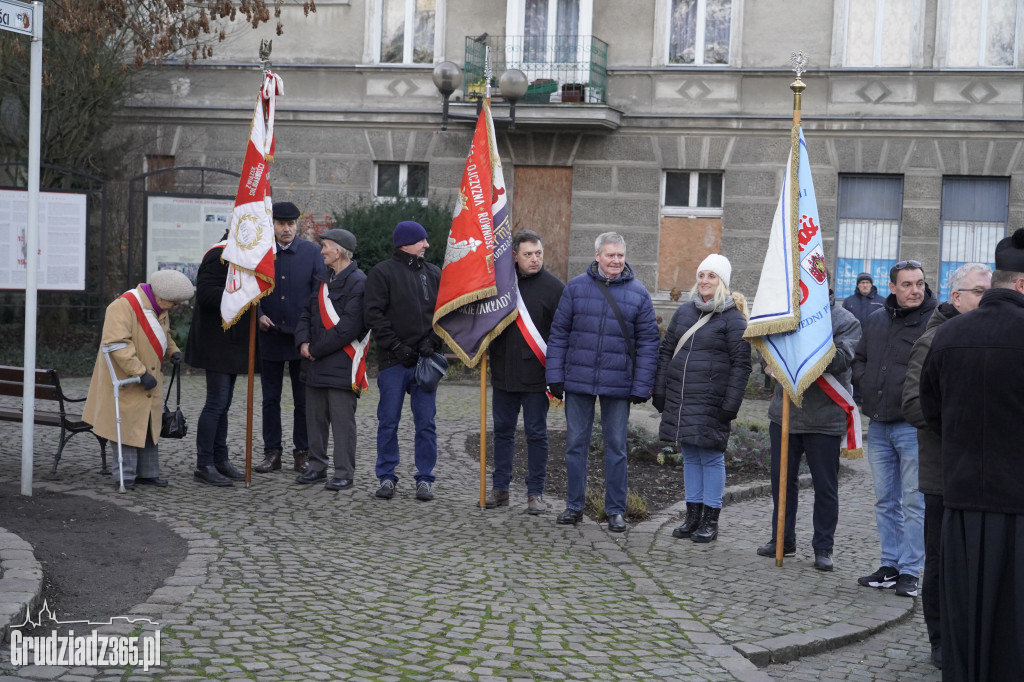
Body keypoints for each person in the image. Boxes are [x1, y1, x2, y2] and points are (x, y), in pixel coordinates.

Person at [919, 230, 1024, 681]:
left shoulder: (948, 335)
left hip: (961, 496)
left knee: (965, 603)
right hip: (1018, 502)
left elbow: (932, 411)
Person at [903, 263, 991, 670]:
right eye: (978, 292)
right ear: (956, 298)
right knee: (940, 560)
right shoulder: (933, 340)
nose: (984, 300)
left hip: (979, 470)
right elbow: (912, 403)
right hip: (943, 472)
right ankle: (939, 640)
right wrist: (959, 426)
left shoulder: (990, 335)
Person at [546, 232, 660, 533]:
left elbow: (649, 343)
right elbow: (559, 335)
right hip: (579, 381)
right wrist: (555, 376)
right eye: (610, 255)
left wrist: (641, 385)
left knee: (616, 448)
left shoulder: (639, 293)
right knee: (574, 445)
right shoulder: (575, 288)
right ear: (597, 256)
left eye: (620, 255)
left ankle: (615, 511)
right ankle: (574, 506)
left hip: (618, 383)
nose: (616, 261)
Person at [755, 289, 861, 569]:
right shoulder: (786, 314)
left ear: (827, 288)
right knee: (782, 483)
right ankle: (783, 539)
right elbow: (766, 343)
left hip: (824, 418)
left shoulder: (845, 320)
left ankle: (823, 547)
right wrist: (769, 365)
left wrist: (803, 350)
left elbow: (841, 359)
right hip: (785, 415)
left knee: (825, 487)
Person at [852, 259, 936, 597]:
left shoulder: (934, 321)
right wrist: (865, 386)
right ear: (892, 287)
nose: (914, 290)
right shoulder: (875, 320)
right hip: (879, 424)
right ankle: (889, 564)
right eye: (907, 284)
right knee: (885, 500)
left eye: (919, 283)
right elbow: (860, 359)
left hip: (913, 428)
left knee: (915, 502)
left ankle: (911, 571)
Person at [653, 254, 751, 543]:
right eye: (701, 275)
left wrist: (730, 405)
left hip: (712, 401)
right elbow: (666, 351)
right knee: (691, 457)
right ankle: (692, 516)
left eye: (711, 276)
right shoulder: (684, 312)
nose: (705, 281)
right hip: (683, 399)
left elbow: (741, 365)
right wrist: (659, 390)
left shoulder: (733, 319)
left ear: (722, 282)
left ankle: (710, 519)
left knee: (710, 457)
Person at [83, 270, 195, 489]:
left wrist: (173, 351)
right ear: (161, 297)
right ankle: (125, 476)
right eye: (174, 303)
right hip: (126, 381)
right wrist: (140, 372)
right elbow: (116, 343)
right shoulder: (123, 306)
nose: (176, 307)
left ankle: (148, 473)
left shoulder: (158, 305)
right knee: (125, 430)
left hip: (147, 380)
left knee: (148, 426)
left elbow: (164, 334)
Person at [485, 230, 564, 515]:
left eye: (539, 253)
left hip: (536, 377)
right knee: (502, 432)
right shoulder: (499, 285)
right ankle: (500, 489)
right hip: (503, 374)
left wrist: (557, 375)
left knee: (536, 435)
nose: (534, 259)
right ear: (515, 256)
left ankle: (535, 494)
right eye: (528, 254)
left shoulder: (555, 289)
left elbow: (561, 336)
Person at [364, 220, 443, 502]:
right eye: (422, 240)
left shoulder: (434, 273)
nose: (427, 245)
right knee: (388, 421)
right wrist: (397, 346)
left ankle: (425, 479)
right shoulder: (382, 273)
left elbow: (444, 312)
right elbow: (374, 314)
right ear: (406, 243)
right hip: (393, 362)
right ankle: (386, 476)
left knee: (426, 423)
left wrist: (432, 341)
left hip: (426, 361)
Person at [253, 201, 326, 475]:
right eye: (282, 224)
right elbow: (249, 289)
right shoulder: (261, 253)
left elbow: (319, 294)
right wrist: (258, 313)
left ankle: (302, 452)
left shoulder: (311, 252)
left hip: (300, 338)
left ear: (297, 225)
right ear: (273, 225)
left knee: (302, 399)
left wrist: (308, 332)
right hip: (269, 335)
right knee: (270, 398)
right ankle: (272, 453)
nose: (287, 229)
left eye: (291, 224)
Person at [294, 229, 367, 490]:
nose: (321, 251)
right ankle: (317, 467)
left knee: (342, 424)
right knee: (314, 420)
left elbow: (349, 328)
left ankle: (344, 472)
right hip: (315, 364)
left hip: (341, 366)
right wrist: (302, 341)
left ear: (339, 251)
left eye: (325, 247)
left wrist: (315, 348)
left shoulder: (359, 282)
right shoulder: (322, 280)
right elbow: (306, 312)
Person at [185, 232, 253, 487]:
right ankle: (204, 464)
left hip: (231, 344)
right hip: (217, 343)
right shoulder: (218, 255)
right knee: (216, 403)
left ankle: (220, 458)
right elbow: (205, 294)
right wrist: (242, 292)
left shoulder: (240, 257)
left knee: (223, 404)